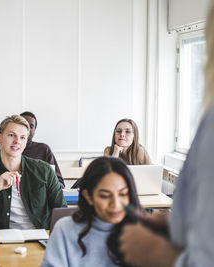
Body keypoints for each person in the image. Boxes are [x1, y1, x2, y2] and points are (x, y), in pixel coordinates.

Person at [119, 4, 214, 266]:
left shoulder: (141, 152)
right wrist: (179, 221)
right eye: (119, 131)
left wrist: (151, 251)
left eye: (128, 131)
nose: (123, 135)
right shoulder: (109, 152)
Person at [0, 115, 66, 231]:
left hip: (40, 238)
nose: (17, 141)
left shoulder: (44, 170)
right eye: (11, 135)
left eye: (23, 137)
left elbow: (61, 211)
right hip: (3, 241)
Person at [41, 157, 143, 267]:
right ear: (88, 196)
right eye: (105, 196)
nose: (116, 204)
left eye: (123, 194)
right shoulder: (65, 229)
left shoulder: (145, 232)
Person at [0, 111, 65, 188]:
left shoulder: (44, 149)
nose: (27, 129)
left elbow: (58, 182)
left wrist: (42, 186)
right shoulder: (3, 150)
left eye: (31, 126)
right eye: (11, 135)